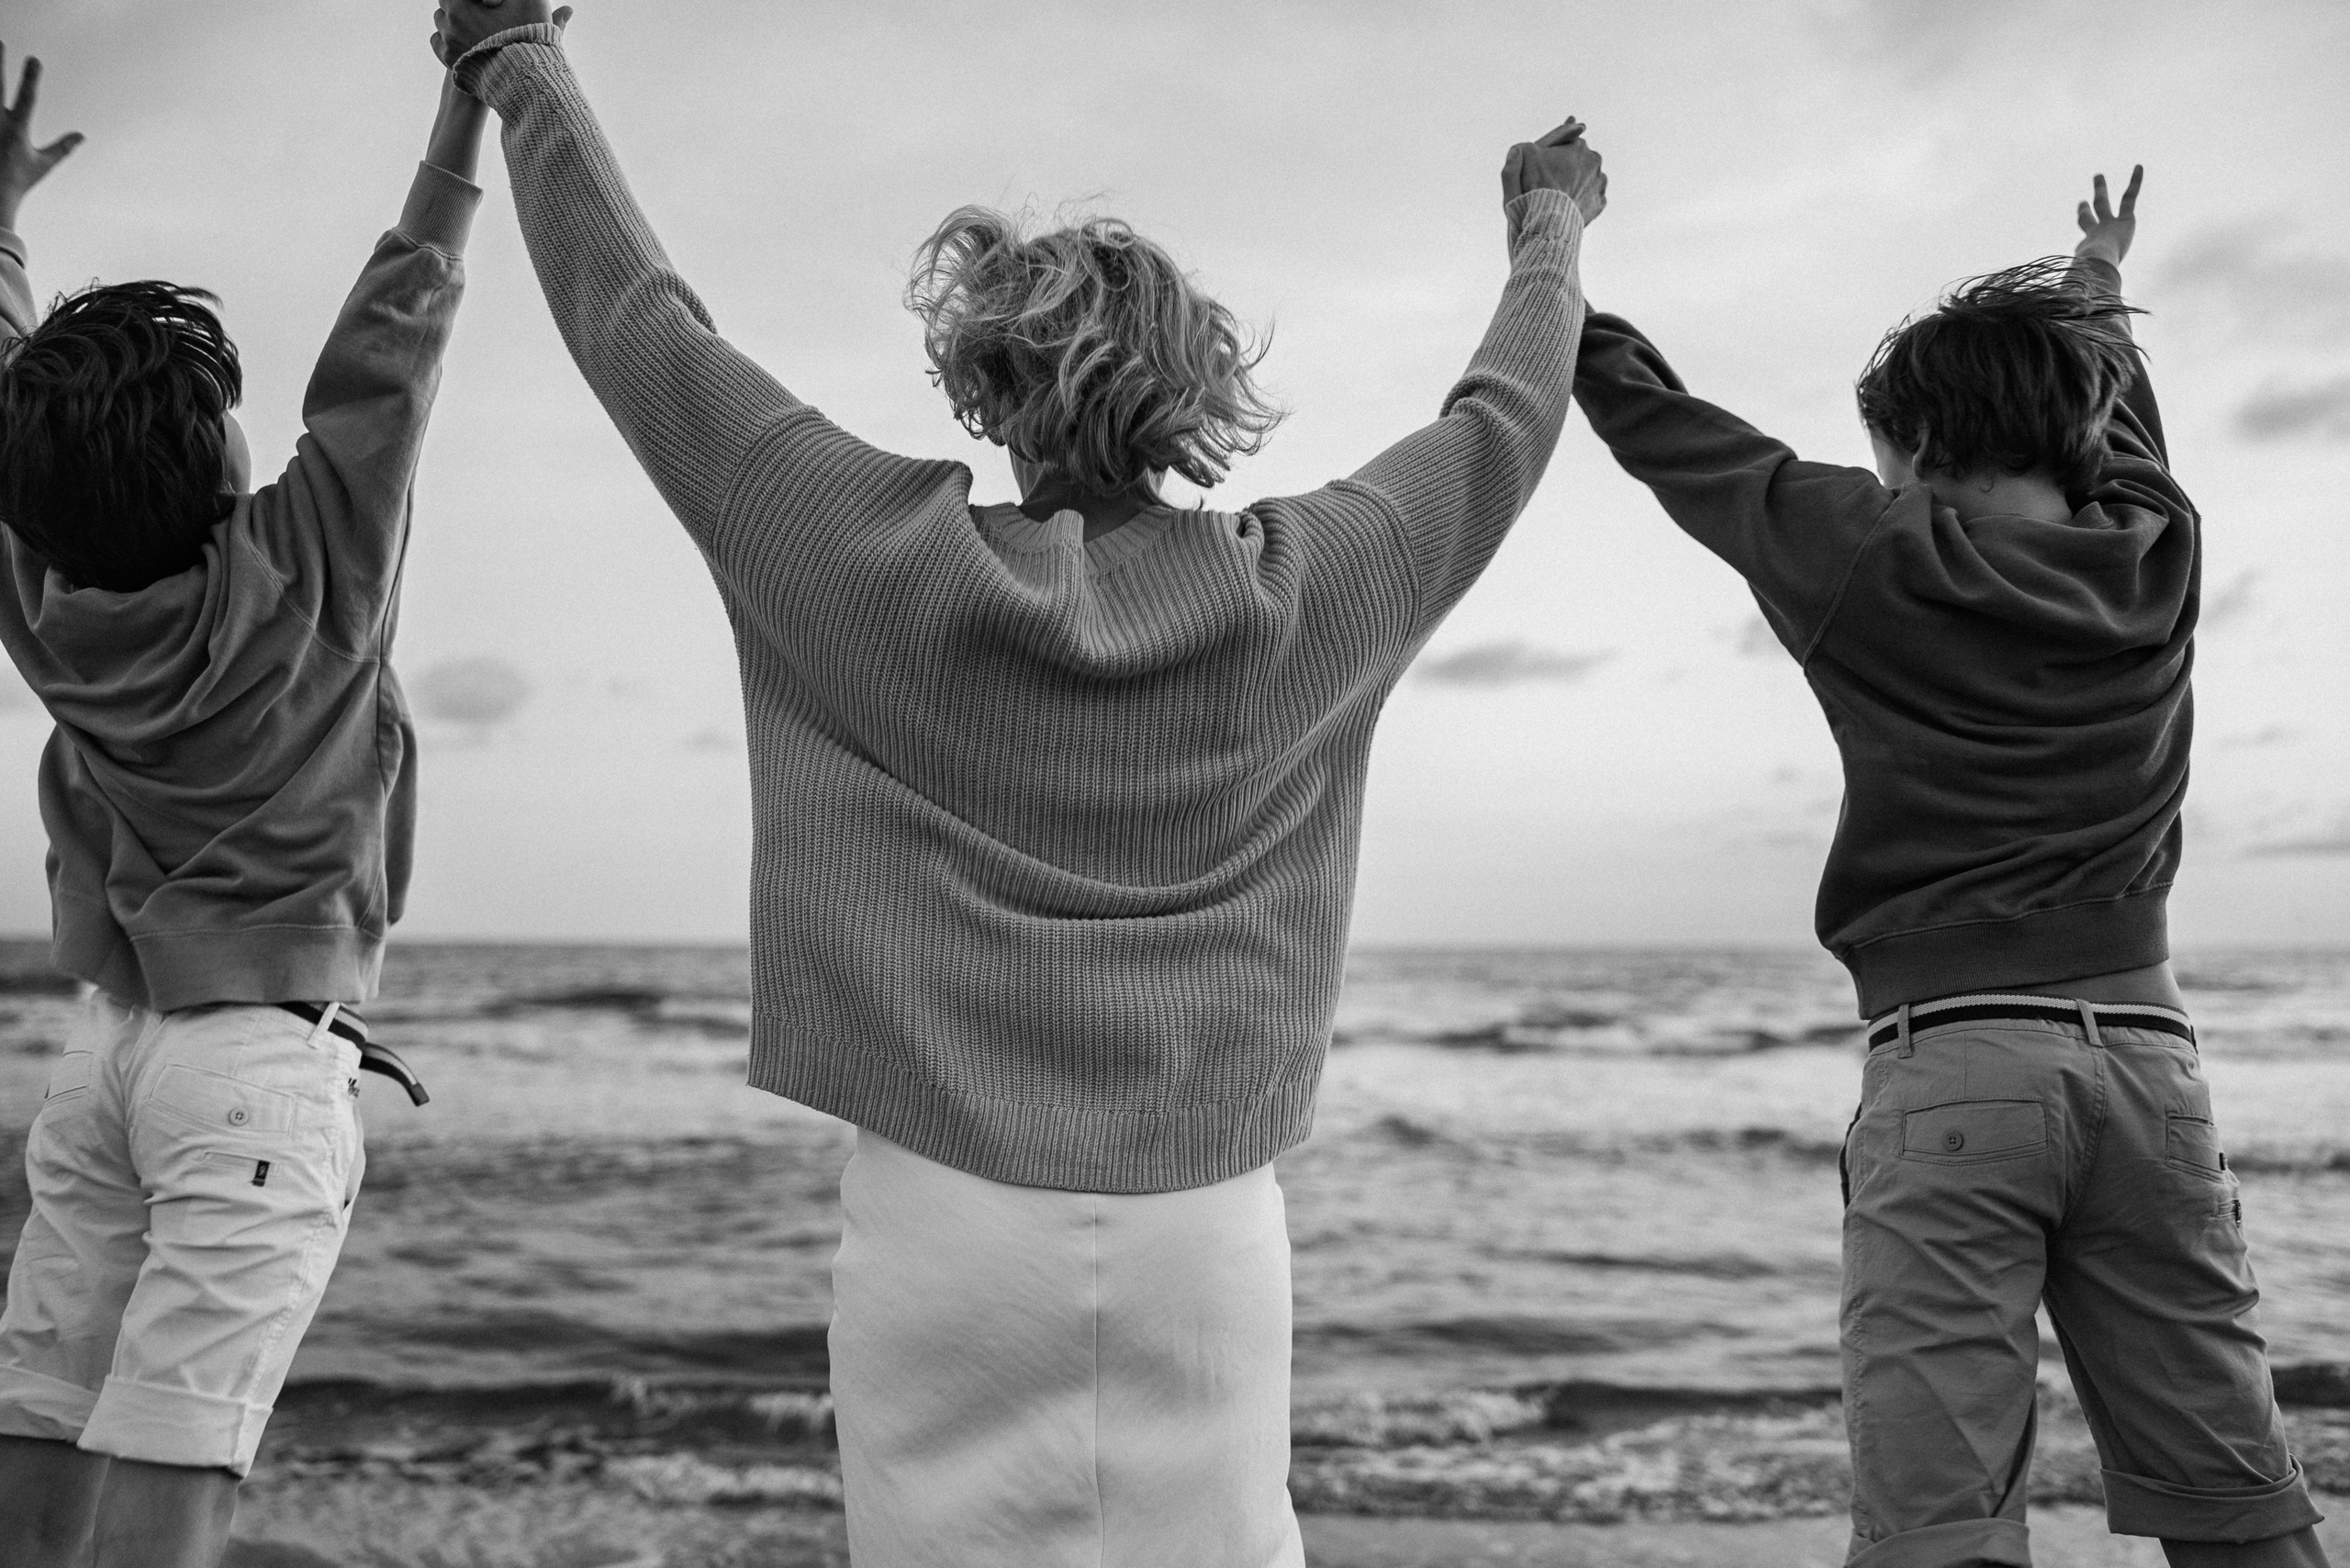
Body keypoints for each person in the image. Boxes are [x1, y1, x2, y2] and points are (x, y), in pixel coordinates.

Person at [427, 2, 1601, 1561]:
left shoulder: (856, 554)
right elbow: (1502, 423)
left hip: (941, 1223)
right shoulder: (1307, 595)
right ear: (1195, 393)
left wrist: (520, 61)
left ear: (985, 382)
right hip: (1204, 1227)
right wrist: (1551, 227)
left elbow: (644, 328)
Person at [1570, 170, 2328, 1567]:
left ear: (1915, 441)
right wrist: (2097, 292)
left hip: (1958, 1072)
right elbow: (2123, 426)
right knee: (2237, 1504)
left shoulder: (1878, 555)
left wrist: (1553, 258)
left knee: (1941, 1534)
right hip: (2156, 1075)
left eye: (1892, 453)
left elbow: (1678, 440)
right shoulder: (2159, 552)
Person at [0, 40, 476, 1568]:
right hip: (256, 1077)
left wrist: (2, 231)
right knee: (176, 1449)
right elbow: (394, 346)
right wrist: (477, 87)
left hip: (109, 1065)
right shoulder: (310, 578)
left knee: (45, 1406)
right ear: (218, 468)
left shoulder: (47, 602)